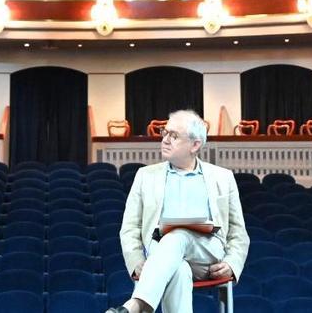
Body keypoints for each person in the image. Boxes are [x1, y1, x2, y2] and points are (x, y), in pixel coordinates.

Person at [107, 110, 250, 313]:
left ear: (195, 145)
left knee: (178, 235)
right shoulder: (145, 176)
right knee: (179, 270)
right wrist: (137, 261)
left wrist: (231, 264)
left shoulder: (223, 177)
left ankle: (136, 305)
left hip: (207, 254)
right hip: (161, 255)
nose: (165, 140)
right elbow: (130, 227)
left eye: (174, 136)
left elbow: (238, 232)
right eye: (164, 133)